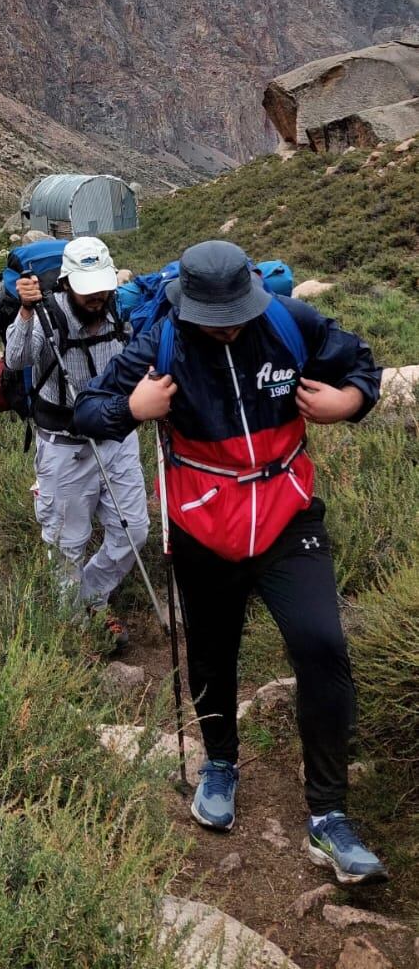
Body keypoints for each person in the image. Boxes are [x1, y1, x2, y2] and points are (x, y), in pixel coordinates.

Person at [73, 239, 387, 885]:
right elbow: (86, 409)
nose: (231, 326)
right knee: (212, 652)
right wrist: (129, 409)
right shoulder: (160, 342)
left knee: (321, 644)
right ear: (187, 306)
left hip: (285, 513)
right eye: (217, 318)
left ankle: (327, 815)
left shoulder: (285, 321)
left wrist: (348, 402)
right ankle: (220, 762)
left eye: (239, 311)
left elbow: (361, 363)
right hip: (203, 523)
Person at [4, 236, 148, 650]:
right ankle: (73, 627)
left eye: (101, 286)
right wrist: (26, 310)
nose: (96, 296)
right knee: (68, 544)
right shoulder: (47, 316)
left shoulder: (121, 309)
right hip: (65, 447)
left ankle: (91, 598)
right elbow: (16, 360)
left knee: (133, 531)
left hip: (117, 440)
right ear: (66, 282)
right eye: (87, 288)